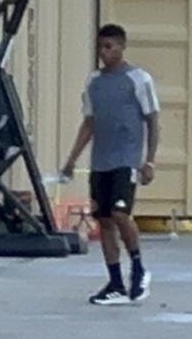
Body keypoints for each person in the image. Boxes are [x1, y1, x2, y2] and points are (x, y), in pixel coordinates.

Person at [62, 23, 160, 306]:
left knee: (120, 213)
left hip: (126, 160)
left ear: (121, 47)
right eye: (101, 47)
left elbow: (153, 120)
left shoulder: (138, 79)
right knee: (104, 220)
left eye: (109, 47)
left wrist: (149, 161)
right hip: (100, 161)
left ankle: (138, 267)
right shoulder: (94, 82)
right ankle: (115, 282)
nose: (104, 53)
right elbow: (89, 123)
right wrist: (72, 159)